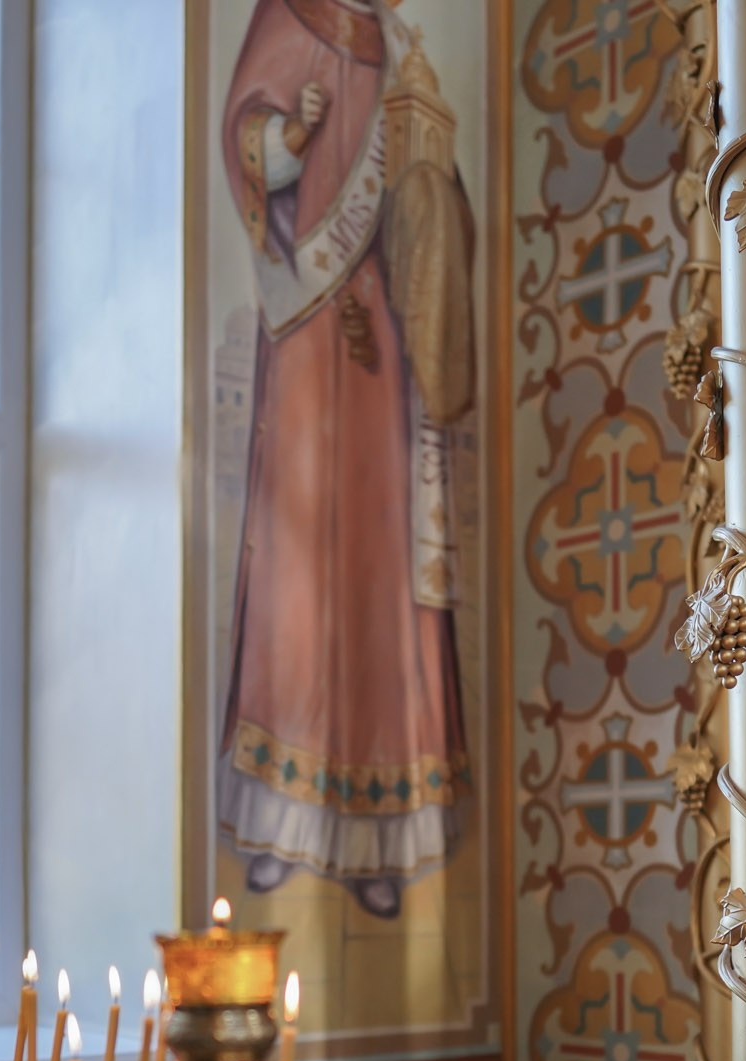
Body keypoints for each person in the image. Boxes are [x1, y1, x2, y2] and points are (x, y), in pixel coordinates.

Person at [217, 0, 472, 921]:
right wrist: (289, 135)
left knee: (378, 584)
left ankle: (378, 842)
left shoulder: (401, 45)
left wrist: (426, 190)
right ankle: (288, 827)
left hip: (380, 343)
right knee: (297, 578)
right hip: (307, 338)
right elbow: (246, 135)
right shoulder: (290, 13)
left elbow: (436, 196)